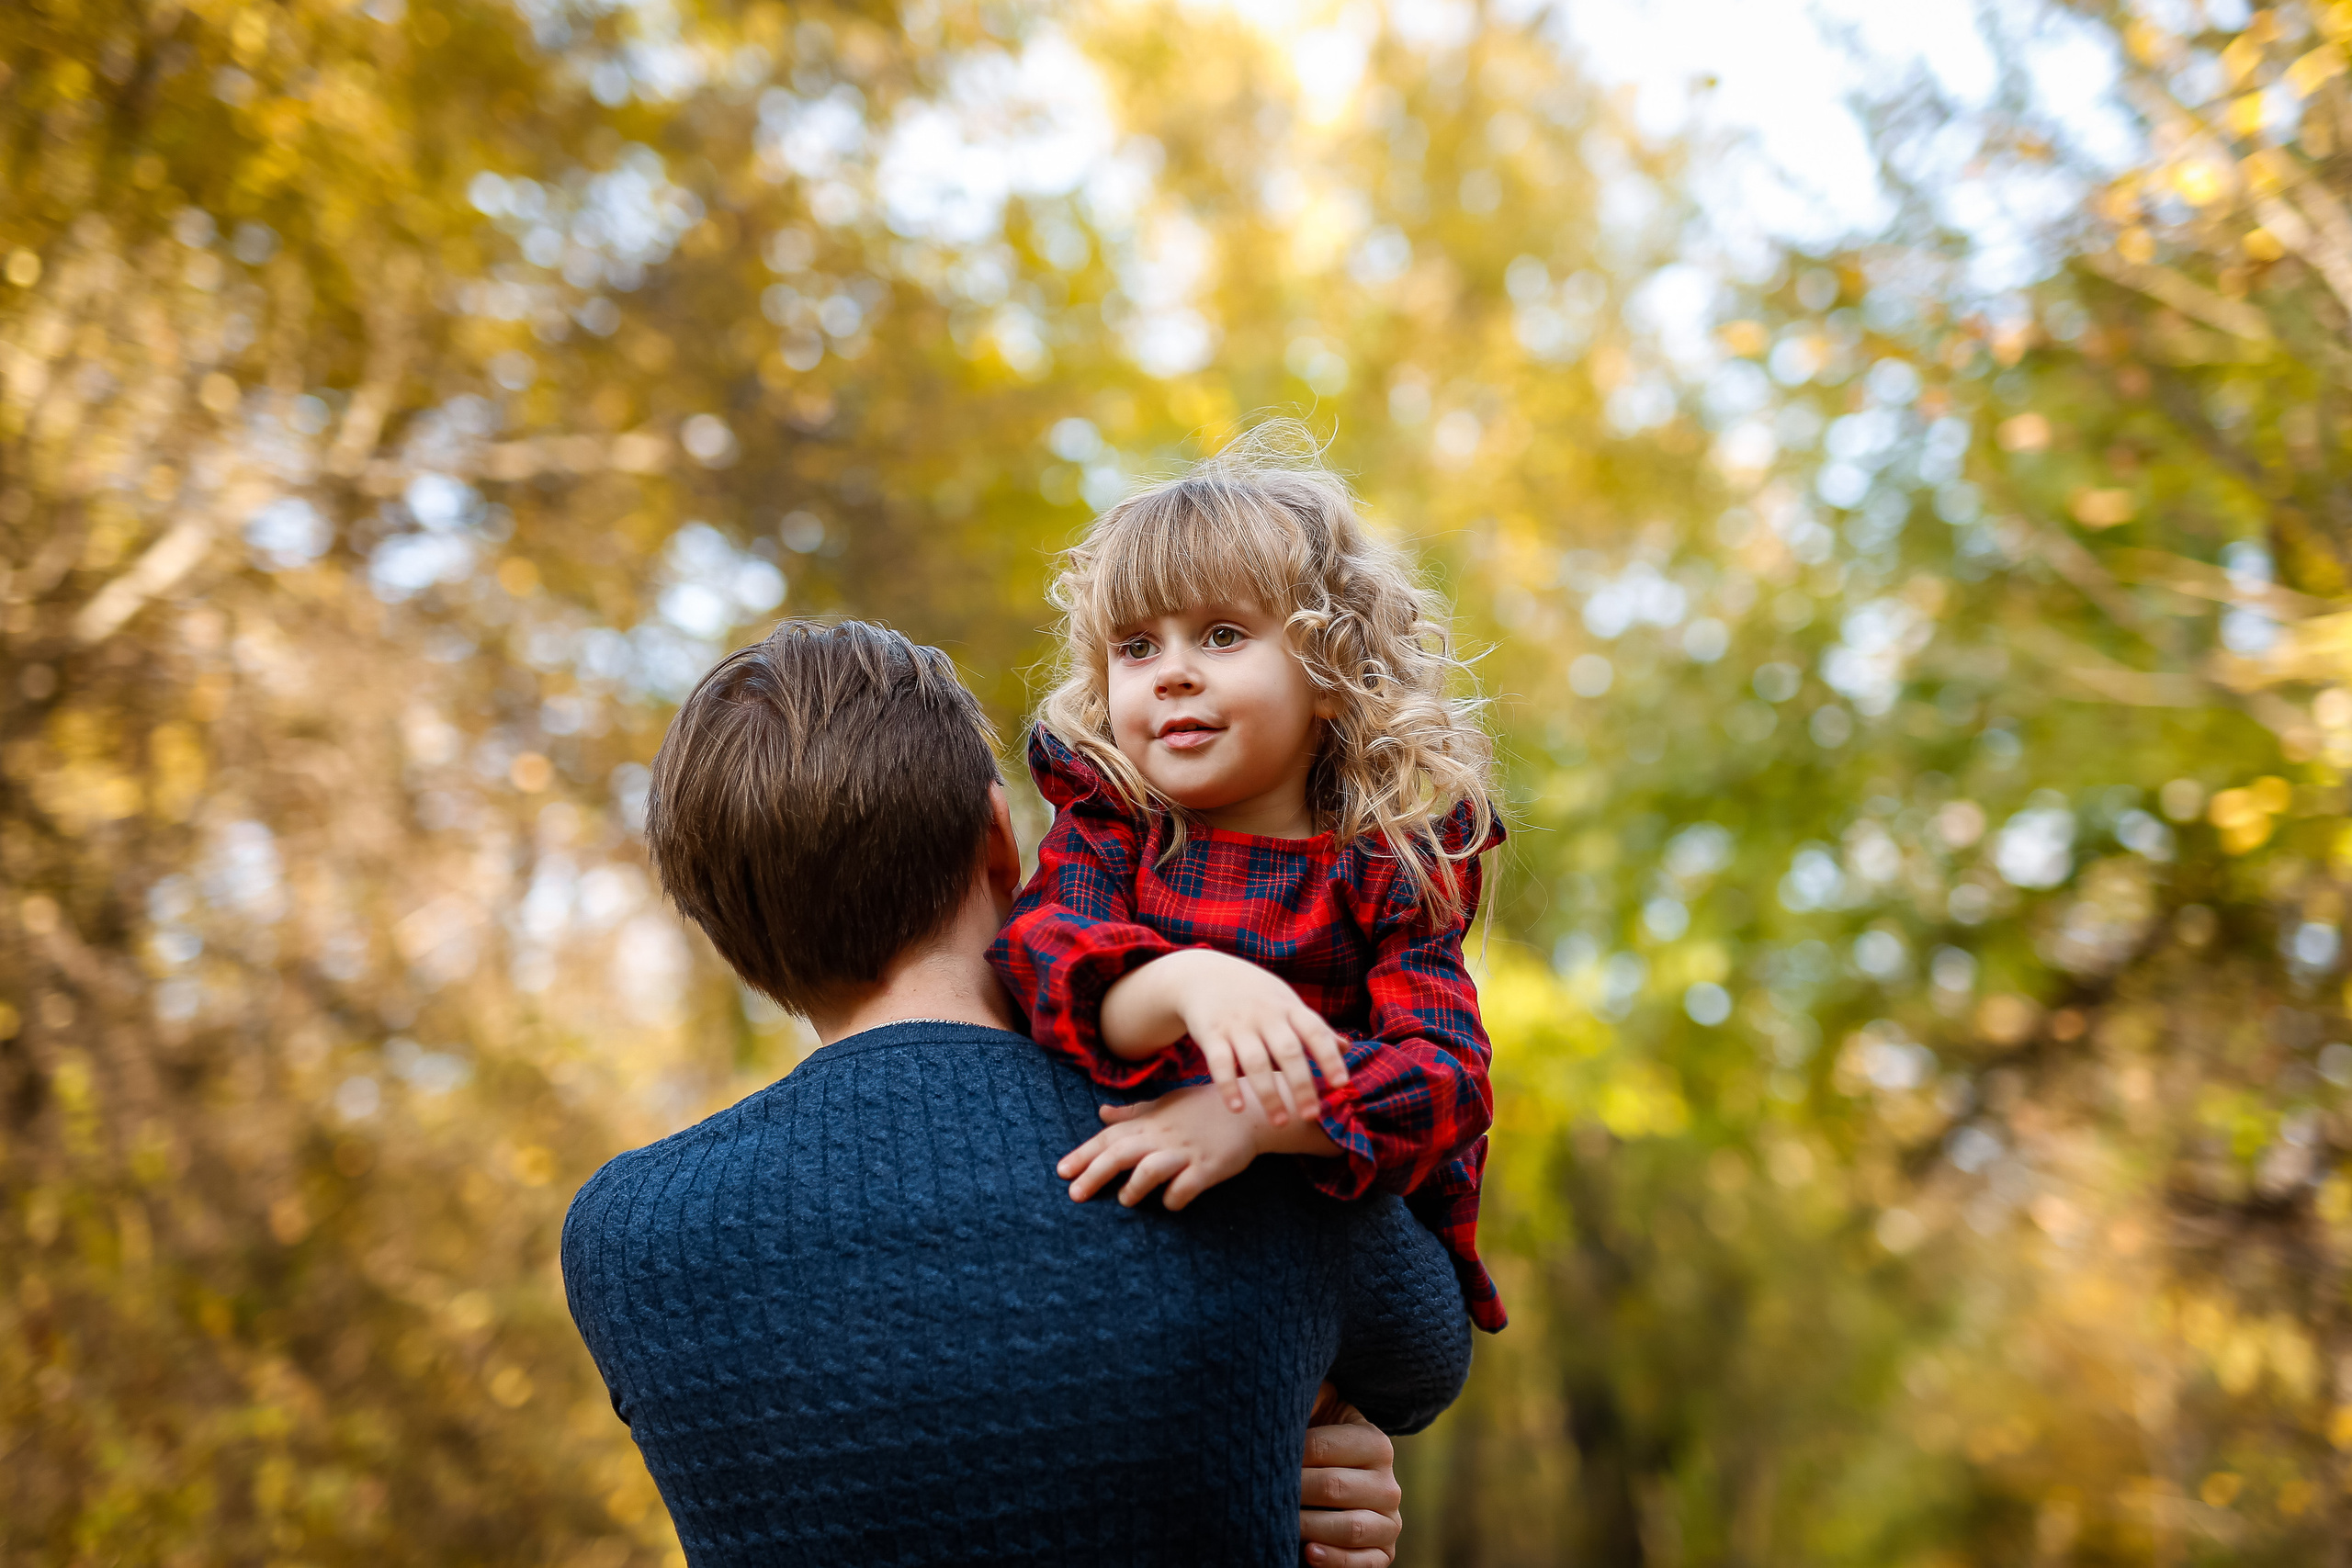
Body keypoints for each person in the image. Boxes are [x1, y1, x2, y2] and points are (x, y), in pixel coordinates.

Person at [560, 618, 1472, 1567]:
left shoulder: (628, 1239)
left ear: (733, 940)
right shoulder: (1234, 1143)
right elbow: (1425, 1361)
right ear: (1000, 841)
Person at [988, 424, 1510, 1334]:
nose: (1172, 674)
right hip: (1120, 1248)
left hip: (1322, 1261)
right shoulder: (1113, 828)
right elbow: (1045, 962)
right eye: (1135, 647)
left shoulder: (1385, 869)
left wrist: (1254, 1117)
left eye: (1221, 635)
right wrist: (1187, 982)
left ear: (1330, 673)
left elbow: (1445, 1078)